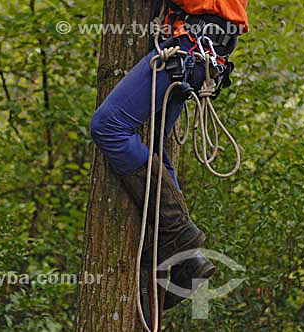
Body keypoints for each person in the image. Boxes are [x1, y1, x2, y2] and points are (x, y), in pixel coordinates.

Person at [89, 0, 249, 311]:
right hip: (196, 52)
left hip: (188, 48)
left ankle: (176, 231)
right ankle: (186, 259)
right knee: (156, 151)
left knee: (109, 126)